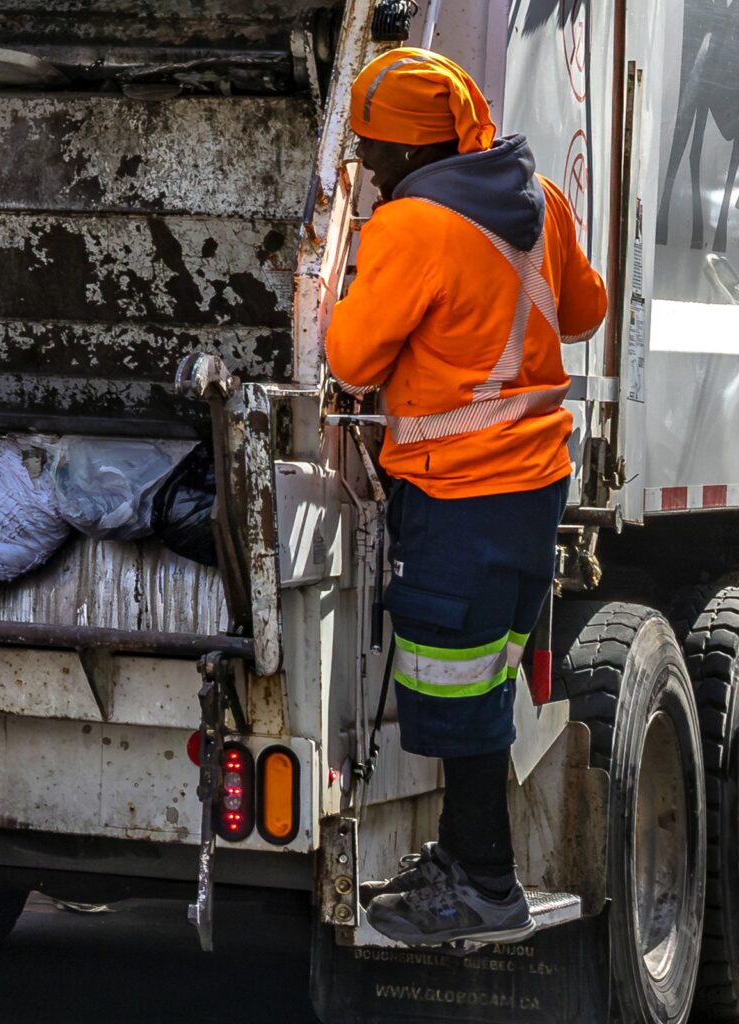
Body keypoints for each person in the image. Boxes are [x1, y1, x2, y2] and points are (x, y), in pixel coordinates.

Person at [327, 47, 608, 945]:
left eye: (372, 151)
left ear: (414, 152)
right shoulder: (538, 202)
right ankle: (461, 862)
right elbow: (584, 311)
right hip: (533, 489)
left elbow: (348, 358)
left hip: (461, 493)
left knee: (456, 695)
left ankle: (487, 886)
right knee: (482, 681)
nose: (363, 169)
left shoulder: (413, 226)